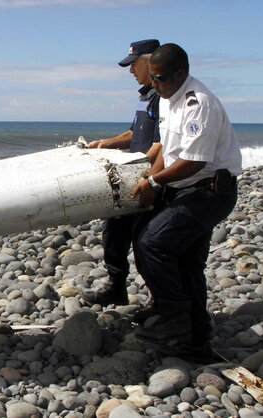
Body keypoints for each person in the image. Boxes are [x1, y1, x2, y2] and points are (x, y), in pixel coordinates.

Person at [131, 44, 242, 361]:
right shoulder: (168, 98)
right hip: (184, 188)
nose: (154, 85)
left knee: (153, 243)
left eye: (160, 78)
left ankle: (175, 318)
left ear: (181, 73)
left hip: (208, 191)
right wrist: (153, 179)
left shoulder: (199, 105)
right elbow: (168, 146)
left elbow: (194, 161)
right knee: (185, 262)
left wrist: (153, 181)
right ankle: (196, 342)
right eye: (151, 78)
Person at [83, 39, 162, 307]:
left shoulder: (163, 98)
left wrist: (148, 178)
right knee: (114, 232)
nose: (130, 71)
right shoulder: (145, 97)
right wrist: (105, 143)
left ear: (150, 62)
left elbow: (162, 145)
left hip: (149, 179)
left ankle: (159, 300)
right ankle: (116, 286)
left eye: (133, 65)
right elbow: (132, 134)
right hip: (132, 176)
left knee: (146, 243)